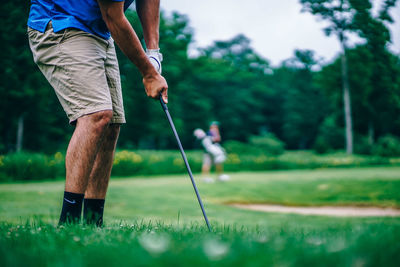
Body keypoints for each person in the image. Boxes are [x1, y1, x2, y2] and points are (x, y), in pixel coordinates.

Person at [27, 0, 168, 226]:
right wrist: (149, 74)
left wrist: (153, 53)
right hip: (60, 24)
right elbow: (113, 15)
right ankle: (69, 226)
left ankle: (94, 224)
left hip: (99, 32)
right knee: (96, 115)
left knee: (111, 124)